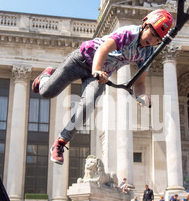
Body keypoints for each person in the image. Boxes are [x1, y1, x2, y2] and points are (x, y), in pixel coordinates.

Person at [32, 9, 175, 165]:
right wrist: (97, 70)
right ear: (145, 25)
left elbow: (140, 82)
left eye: (158, 40)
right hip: (81, 60)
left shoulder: (148, 52)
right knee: (46, 92)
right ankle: (46, 76)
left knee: (87, 105)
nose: (153, 40)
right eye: (153, 34)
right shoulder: (128, 33)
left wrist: (141, 97)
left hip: (98, 76)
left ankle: (61, 142)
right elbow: (103, 49)